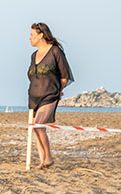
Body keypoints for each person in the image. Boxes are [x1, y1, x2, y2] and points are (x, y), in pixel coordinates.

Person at [28, 22, 73, 169]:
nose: (29, 38)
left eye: (32, 35)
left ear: (41, 35)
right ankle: (42, 160)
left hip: (50, 94)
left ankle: (48, 158)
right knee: (36, 128)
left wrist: (59, 90)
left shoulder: (55, 52)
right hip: (33, 97)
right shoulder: (33, 55)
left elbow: (65, 75)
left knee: (38, 124)